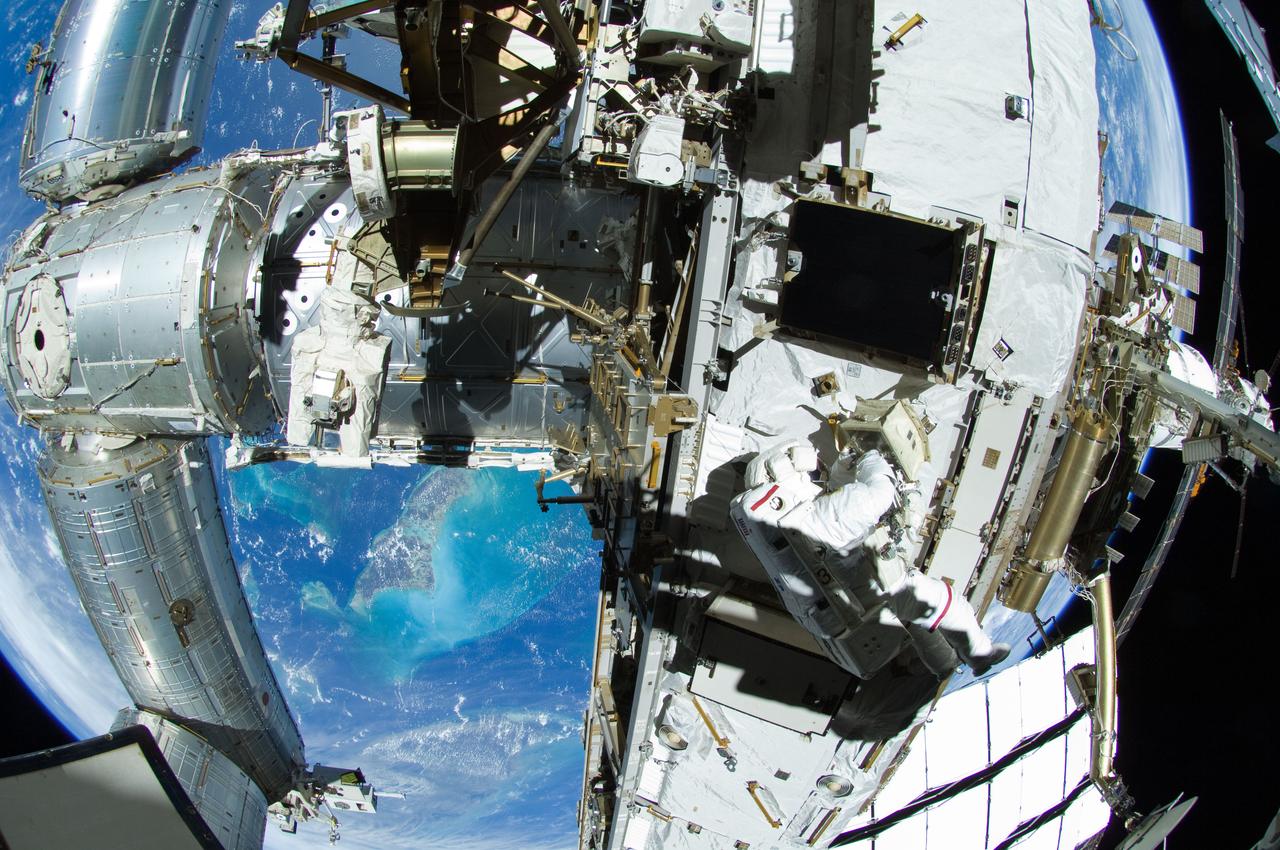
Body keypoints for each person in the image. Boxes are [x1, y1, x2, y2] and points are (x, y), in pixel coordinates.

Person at [743, 439, 1010, 675]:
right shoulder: (820, 518)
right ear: (791, 471)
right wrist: (869, 456)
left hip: (856, 609)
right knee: (947, 603)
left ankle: (944, 667)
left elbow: (838, 502)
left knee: (919, 616)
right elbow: (877, 496)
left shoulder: (784, 523)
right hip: (879, 590)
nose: (814, 473)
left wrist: (844, 468)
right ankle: (980, 655)